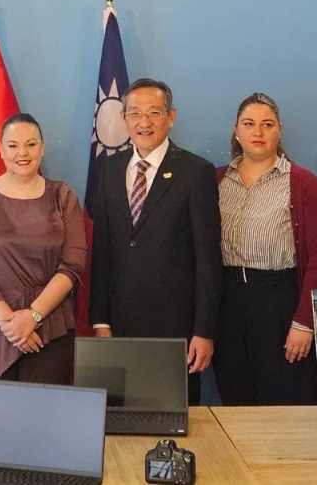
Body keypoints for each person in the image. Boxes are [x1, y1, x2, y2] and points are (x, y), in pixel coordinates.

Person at [88, 78, 222, 405]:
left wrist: (204, 331)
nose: (144, 122)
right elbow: (102, 250)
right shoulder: (109, 168)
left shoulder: (195, 171)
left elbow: (207, 259)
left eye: (154, 113)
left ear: (171, 117)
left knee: (171, 416)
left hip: (176, 329)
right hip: (119, 324)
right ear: (124, 118)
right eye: (135, 113)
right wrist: (101, 320)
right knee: (119, 415)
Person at [212, 93, 317, 406]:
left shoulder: (303, 183)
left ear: (279, 131)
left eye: (267, 124)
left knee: (283, 400)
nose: (258, 132)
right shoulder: (215, 180)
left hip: (279, 303)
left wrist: (305, 321)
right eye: (249, 124)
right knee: (235, 399)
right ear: (236, 131)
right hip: (226, 305)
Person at [0, 114, 85, 382]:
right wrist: (12, 325)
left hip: (49, 329)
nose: (22, 153)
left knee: (44, 408)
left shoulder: (63, 196)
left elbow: (73, 265)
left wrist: (33, 317)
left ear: (42, 148)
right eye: (13, 145)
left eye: (31, 144)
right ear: (1, 149)